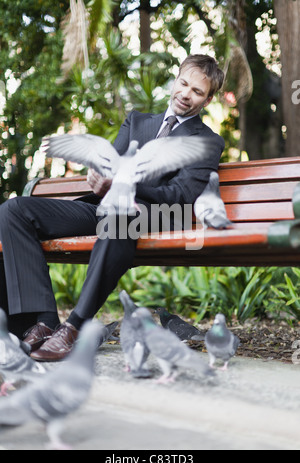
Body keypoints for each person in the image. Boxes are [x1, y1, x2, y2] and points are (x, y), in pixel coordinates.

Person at [0, 54, 225, 362]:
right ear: (176, 81)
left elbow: (182, 196)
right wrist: (99, 176)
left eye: (197, 91)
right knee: (14, 211)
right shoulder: (138, 121)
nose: (186, 94)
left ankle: (74, 327)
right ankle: (42, 321)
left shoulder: (207, 141)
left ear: (208, 99)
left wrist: (128, 185)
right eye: (183, 83)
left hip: (152, 215)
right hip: (104, 208)